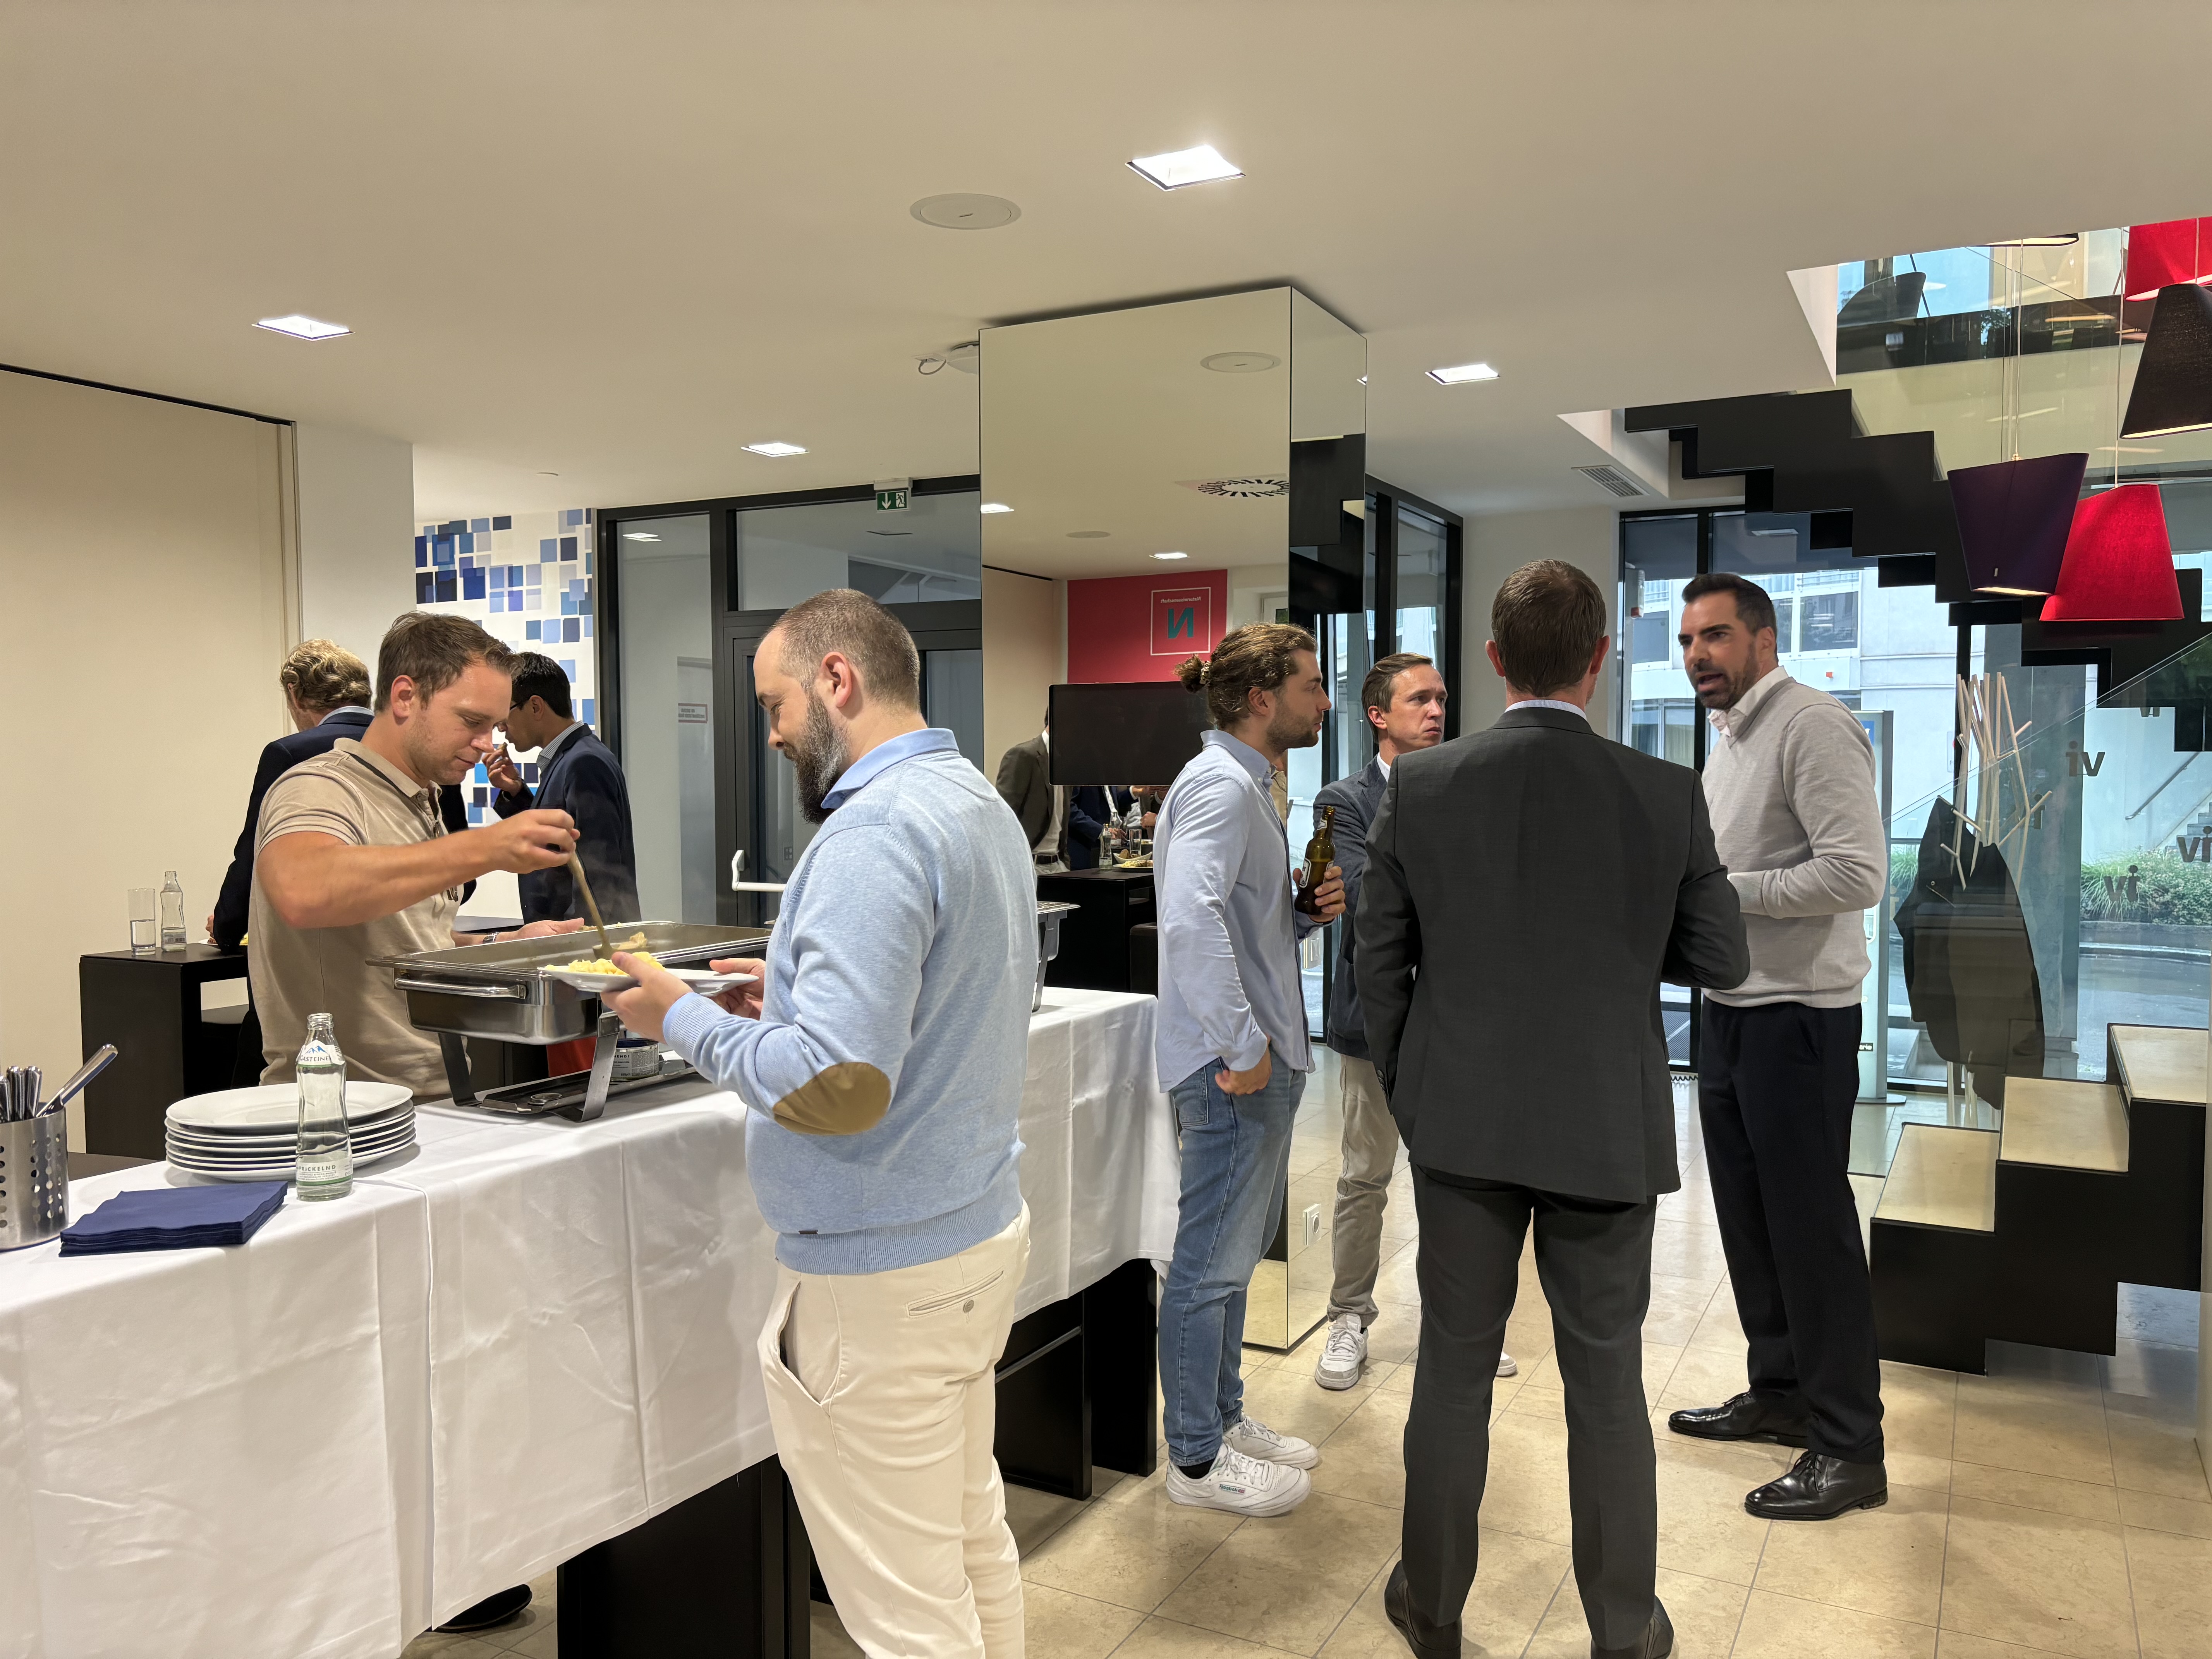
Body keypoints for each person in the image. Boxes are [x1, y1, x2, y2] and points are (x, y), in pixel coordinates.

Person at [601, 589, 1036, 1659]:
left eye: (776, 704)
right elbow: (932, 1005)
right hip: (970, 1237)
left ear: (838, 678)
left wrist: (681, 1017)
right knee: (967, 1541)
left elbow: (838, 1085)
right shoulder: (974, 800)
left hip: (881, 1277)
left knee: (905, 1613)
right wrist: (788, 1000)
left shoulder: (872, 830)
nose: (774, 733)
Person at [1358, 561, 1747, 1659]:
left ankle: (1434, 1607)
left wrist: (1414, 1094)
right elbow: (1722, 956)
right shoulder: (1666, 791)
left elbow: (1378, 968)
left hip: (1461, 1123)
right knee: (1606, 1381)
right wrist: (1625, 932)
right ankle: (1622, 1628)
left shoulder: (1420, 787)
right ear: (1600, 659)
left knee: (1452, 1370)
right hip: (1605, 1124)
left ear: (1494, 660)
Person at [1666, 571, 1891, 1522]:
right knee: (1753, 1223)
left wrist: (1724, 893)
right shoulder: (1730, 738)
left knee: (1811, 1231)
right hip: (1733, 1008)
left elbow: (1857, 873)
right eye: (1688, 641)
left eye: (1715, 636)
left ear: (1763, 638)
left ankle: (1850, 1446)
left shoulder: (1811, 725)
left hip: (1799, 1018)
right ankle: (1784, 1390)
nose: (1697, 657)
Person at [1153, 623, 1346, 1517]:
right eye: (1312, 685)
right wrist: (1241, 1046)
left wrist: (1298, 915)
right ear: (1262, 698)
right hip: (1231, 1069)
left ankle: (1224, 1418)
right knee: (1210, 1265)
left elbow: (1234, 922)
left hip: (1257, 1059)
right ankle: (1195, 1460)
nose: (1325, 702)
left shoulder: (1246, 786)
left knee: (1232, 1263)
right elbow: (1188, 921)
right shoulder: (1221, 788)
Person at [250, 613, 587, 1100]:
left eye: (494, 726)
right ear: (406, 697)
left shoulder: (421, 801)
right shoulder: (320, 786)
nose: (486, 745)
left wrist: (507, 942)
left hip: (428, 1098)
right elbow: (303, 891)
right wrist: (486, 848)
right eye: (471, 722)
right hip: (343, 1111)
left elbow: (407, 939)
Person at [1309, 653, 1516, 1389]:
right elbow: (1369, 899)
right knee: (1365, 1174)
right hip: (1374, 1020)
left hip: (1458, 1018)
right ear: (1378, 714)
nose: (1436, 711)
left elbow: (1495, 894)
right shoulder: (1343, 800)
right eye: (1419, 699)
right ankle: (1347, 1317)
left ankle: (1458, 1326)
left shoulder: (1468, 786)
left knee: (1457, 1181)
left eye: (1441, 698)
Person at [208, 641, 376, 1085]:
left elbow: (257, 854)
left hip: (311, 966)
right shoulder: (415, 748)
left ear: (295, 694)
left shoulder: (289, 753)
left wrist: (227, 925)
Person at [488, 650, 641, 925]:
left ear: (536, 707)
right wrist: (516, 793)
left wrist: (577, 939)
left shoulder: (584, 762)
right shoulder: (572, 758)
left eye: (503, 715)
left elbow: (598, 870)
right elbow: (557, 839)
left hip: (582, 939)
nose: (501, 729)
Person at [994, 714, 1069, 872]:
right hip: (1029, 865)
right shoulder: (1023, 755)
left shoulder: (1067, 762)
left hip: (1058, 863)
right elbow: (1002, 815)